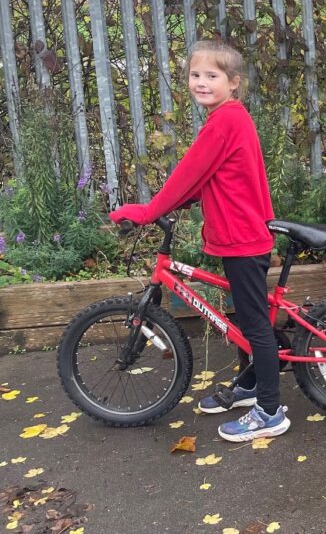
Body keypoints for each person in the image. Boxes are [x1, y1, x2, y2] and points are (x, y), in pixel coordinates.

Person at [109, 40, 288, 441]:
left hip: (242, 236)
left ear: (234, 83)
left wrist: (147, 212)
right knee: (244, 317)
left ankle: (271, 411)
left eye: (212, 76)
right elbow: (212, 176)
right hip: (239, 232)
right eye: (195, 75)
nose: (201, 83)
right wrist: (188, 201)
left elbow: (188, 172)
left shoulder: (223, 121)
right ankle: (250, 385)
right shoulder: (228, 118)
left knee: (255, 324)